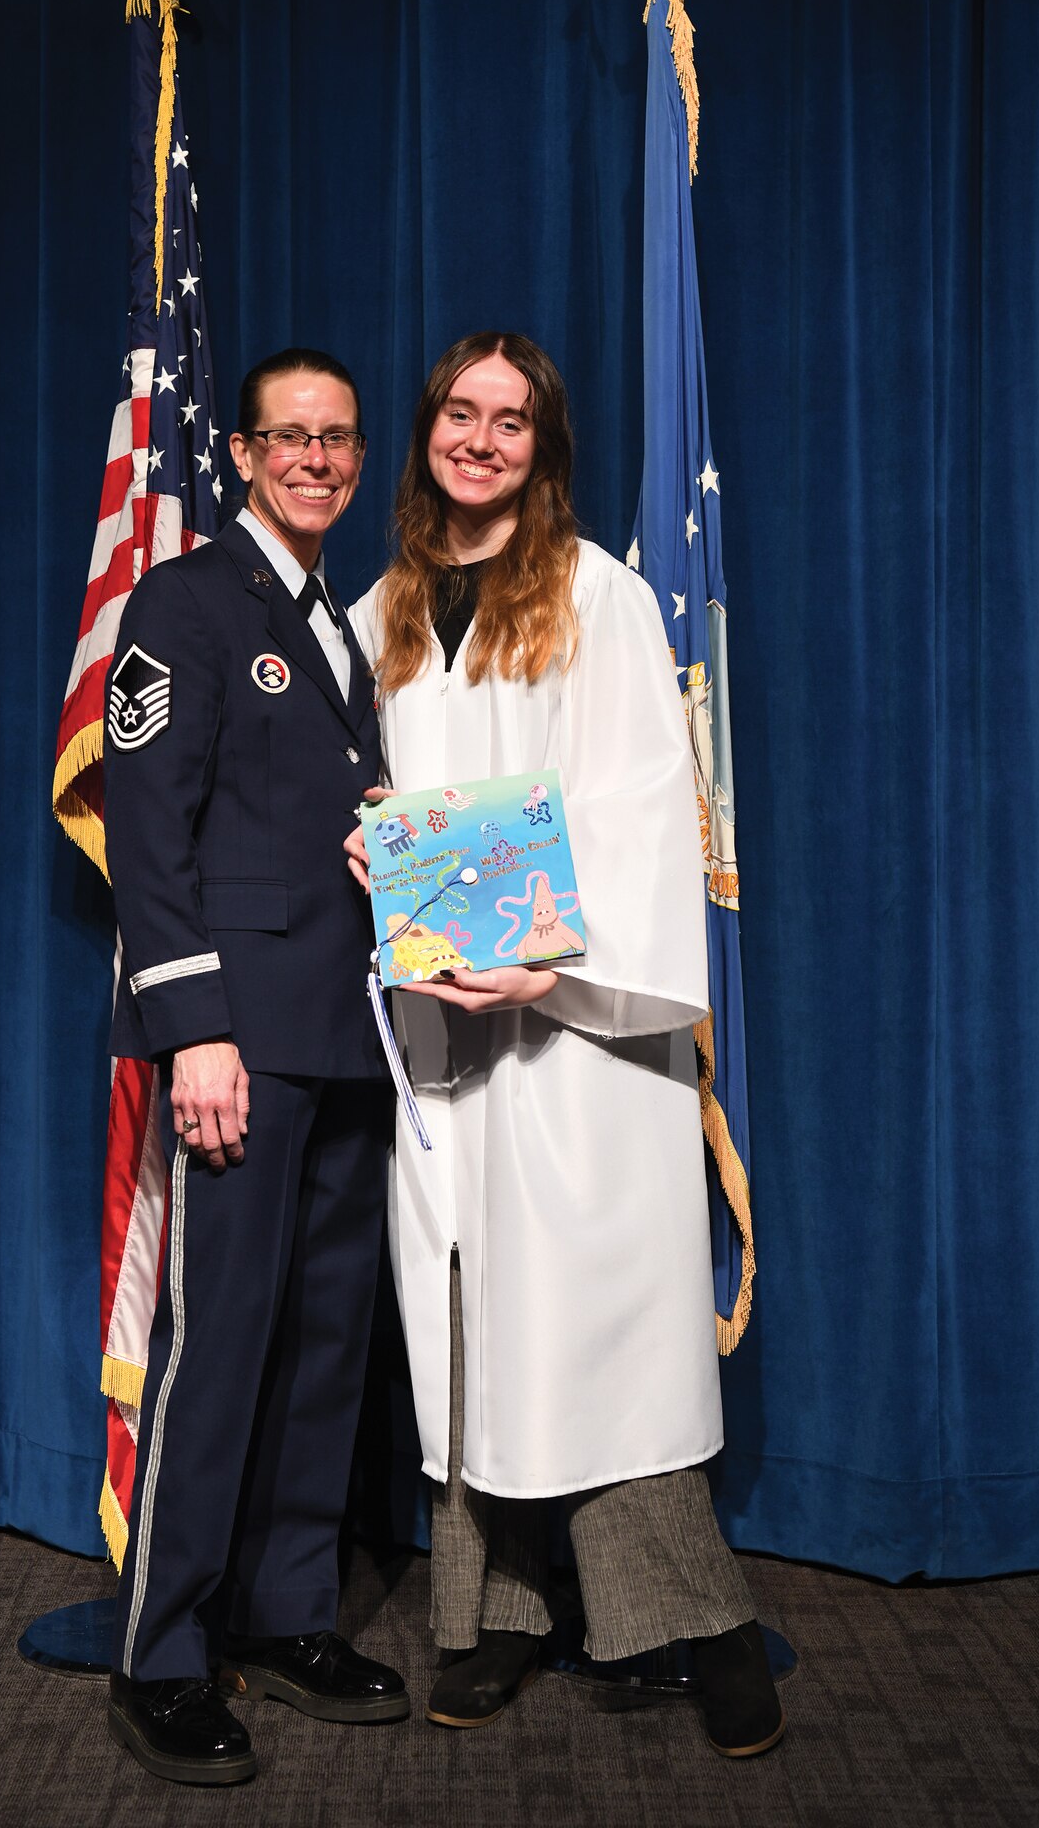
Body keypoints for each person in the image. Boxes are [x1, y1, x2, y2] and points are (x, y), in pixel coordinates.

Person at [346, 332, 783, 1756]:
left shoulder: (597, 595)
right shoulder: (382, 614)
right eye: (458, 414)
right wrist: (369, 863)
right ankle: (498, 1615)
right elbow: (356, 806)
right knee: (473, 1321)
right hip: (439, 1029)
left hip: (574, 1032)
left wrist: (538, 962)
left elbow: (643, 812)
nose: (480, 439)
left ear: (543, 447)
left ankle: (691, 1624)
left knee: (607, 1326)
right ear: (425, 433)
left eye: (509, 420)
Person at [104, 348, 408, 1787]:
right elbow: (149, 835)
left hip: (346, 1033)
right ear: (239, 452)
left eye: (338, 438)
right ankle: (162, 1651)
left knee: (326, 1345)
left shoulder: (339, 629)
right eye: (289, 436)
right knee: (220, 1345)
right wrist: (194, 1031)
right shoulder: (183, 603)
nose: (316, 459)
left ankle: (288, 1614)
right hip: (241, 1041)